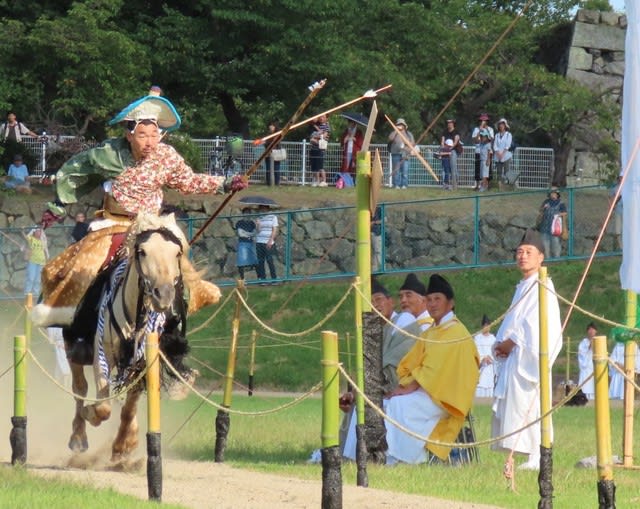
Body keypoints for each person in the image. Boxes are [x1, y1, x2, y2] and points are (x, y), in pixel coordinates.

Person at [31, 90, 247, 327]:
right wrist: (59, 204)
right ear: (129, 135)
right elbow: (75, 171)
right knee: (85, 264)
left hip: (152, 224)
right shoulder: (110, 154)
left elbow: (189, 180)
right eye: (142, 135)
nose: (149, 141)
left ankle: (180, 318)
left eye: (155, 135)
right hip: (116, 225)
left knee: (176, 258)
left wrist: (225, 183)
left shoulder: (166, 157)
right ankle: (73, 320)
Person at [384, 274, 480, 464]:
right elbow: (410, 362)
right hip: (429, 391)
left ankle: (405, 459)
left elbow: (434, 370)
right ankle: (390, 455)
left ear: (450, 303)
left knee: (399, 405)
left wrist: (409, 387)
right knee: (387, 404)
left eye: (438, 299)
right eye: (429, 300)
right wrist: (404, 383)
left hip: (447, 397)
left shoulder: (455, 332)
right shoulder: (432, 331)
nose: (433, 304)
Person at [491, 229, 562, 471]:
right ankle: (526, 454)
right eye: (520, 252)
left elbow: (535, 324)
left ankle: (538, 456)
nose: (523, 256)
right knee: (519, 407)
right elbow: (512, 321)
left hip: (530, 356)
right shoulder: (522, 286)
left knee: (534, 406)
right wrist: (500, 344)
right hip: (515, 357)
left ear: (541, 257)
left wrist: (510, 343)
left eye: (529, 252)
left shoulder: (543, 286)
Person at [339, 278, 419, 460]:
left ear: (391, 301)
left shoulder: (404, 321)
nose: (375, 305)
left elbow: (393, 362)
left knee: (370, 401)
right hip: (377, 386)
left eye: (379, 299)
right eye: (370, 302)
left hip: (401, 385)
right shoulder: (375, 330)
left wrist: (365, 388)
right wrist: (354, 391)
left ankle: (374, 453)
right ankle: (352, 453)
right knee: (357, 401)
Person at [537, 187, 567, 259]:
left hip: (555, 229)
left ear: (557, 194)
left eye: (554, 193)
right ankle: (547, 260)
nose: (553, 195)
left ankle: (556, 260)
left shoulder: (561, 203)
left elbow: (565, 213)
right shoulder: (546, 202)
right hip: (544, 228)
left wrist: (558, 214)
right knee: (545, 246)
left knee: (556, 244)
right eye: (551, 193)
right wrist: (543, 208)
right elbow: (540, 210)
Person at [388, 118, 414, 189]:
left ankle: (404, 185)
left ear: (404, 126)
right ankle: (396, 184)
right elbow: (390, 138)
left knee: (404, 171)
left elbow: (412, 143)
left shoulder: (408, 134)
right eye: (399, 124)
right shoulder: (394, 133)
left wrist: (406, 144)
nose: (400, 126)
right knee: (396, 170)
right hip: (395, 153)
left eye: (401, 124)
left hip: (405, 154)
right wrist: (396, 131)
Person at [22, 226, 49, 297]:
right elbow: (25, 236)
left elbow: (45, 250)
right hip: (32, 261)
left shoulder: (43, 240)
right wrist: (22, 230)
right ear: (34, 232)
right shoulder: (31, 239)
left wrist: (46, 259)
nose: (38, 233)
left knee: (38, 280)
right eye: (37, 231)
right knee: (31, 278)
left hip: (41, 262)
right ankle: (27, 293)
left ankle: (35, 294)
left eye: (40, 231)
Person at [474, 314, 496, 398]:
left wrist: (491, 358)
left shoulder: (493, 339)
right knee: (479, 394)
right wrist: (483, 359)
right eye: (485, 325)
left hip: (490, 371)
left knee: (488, 396)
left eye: (488, 325)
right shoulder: (477, 338)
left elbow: (495, 353)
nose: (486, 327)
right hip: (481, 370)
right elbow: (476, 353)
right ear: (482, 326)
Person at [255, 204, 278, 282]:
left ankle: (274, 278)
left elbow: (274, 229)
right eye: (260, 208)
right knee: (260, 261)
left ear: (267, 207)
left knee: (270, 260)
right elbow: (258, 231)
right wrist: (258, 224)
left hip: (268, 242)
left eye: (263, 207)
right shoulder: (259, 217)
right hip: (259, 241)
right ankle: (263, 279)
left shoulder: (273, 217)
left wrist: (270, 240)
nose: (261, 209)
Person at [472, 113, 494, 190]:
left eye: (484, 120)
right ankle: (478, 185)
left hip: (487, 153)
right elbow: (475, 140)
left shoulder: (490, 129)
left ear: (487, 121)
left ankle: (486, 185)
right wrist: (479, 130)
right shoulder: (476, 129)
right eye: (482, 120)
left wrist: (486, 129)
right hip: (478, 151)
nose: (483, 121)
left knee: (487, 170)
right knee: (479, 169)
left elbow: (491, 139)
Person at [235, 207, 258, 280]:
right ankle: (242, 279)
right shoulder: (239, 223)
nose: (247, 214)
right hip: (242, 243)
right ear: (243, 214)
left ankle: (259, 278)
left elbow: (254, 233)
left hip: (251, 243)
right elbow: (240, 234)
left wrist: (246, 233)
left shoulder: (252, 223)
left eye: (249, 213)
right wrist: (249, 234)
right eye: (246, 213)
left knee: (255, 261)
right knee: (241, 262)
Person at [577, 322, 597, 400]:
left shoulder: (598, 341)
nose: (591, 331)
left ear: (596, 331)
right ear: (587, 331)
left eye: (593, 330)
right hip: (586, 369)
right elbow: (582, 354)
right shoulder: (583, 343)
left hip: (594, 368)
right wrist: (589, 348)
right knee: (585, 385)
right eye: (590, 330)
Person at [309, 115, 331, 187]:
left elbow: (324, 136)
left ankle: (324, 181)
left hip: (321, 148)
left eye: (323, 117)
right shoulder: (316, 125)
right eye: (320, 117)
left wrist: (315, 137)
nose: (321, 118)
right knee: (315, 167)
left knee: (320, 166)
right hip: (314, 148)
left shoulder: (326, 126)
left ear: (326, 118)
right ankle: (317, 181)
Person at [440, 119, 462, 190]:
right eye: (448, 123)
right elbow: (442, 141)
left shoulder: (456, 132)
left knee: (453, 167)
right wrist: (443, 148)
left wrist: (450, 149)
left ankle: (455, 185)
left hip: (453, 151)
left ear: (453, 124)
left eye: (450, 123)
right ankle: (445, 184)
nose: (449, 124)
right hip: (445, 150)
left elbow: (455, 142)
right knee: (445, 167)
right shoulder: (445, 131)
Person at [493, 118, 513, 184]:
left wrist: (502, 154)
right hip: (498, 155)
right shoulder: (497, 135)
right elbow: (495, 145)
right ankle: (499, 184)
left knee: (506, 171)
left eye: (502, 124)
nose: (501, 126)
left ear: (505, 126)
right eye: (500, 124)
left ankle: (507, 184)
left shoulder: (508, 135)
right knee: (499, 171)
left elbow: (508, 145)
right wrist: (498, 153)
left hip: (506, 156)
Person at [264, 122, 282, 186]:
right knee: (268, 169)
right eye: (270, 125)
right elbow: (265, 143)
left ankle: (277, 183)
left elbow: (277, 143)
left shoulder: (278, 134)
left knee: (276, 169)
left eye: (272, 126)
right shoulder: (268, 134)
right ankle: (268, 183)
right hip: (268, 153)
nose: (270, 127)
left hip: (276, 153)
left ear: (275, 127)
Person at [609, 175, 623, 250]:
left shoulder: (629, 187)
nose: (621, 179)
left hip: (628, 212)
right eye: (620, 177)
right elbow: (611, 199)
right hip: (618, 211)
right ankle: (622, 248)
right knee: (618, 231)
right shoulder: (614, 188)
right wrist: (611, 207)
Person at [371, 204, 383, 272]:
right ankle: (374, 269)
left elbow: (384, 219)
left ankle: (380, 267)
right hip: (365, 233)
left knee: (377, 251)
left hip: (375, 232)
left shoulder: (378, 208)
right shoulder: (365, 208)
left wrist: (374, 222)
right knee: (372, 252)